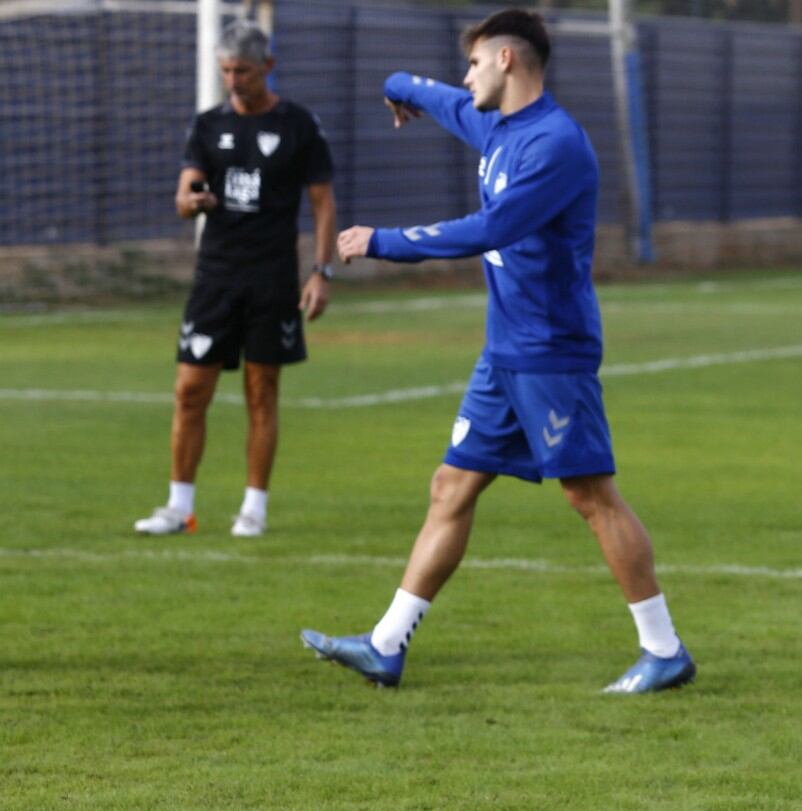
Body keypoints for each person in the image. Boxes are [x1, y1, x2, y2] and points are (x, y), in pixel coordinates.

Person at [300, 9, 694, 694]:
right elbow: (435, 94)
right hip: (503, 353)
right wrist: (398, 86)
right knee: (450, 486)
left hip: (550, 352)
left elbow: (491, 228)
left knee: (591, 495)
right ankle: (385, 645)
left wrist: (381, 240)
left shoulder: (556, 146)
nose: (466, 76)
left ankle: (663, 650)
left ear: (507, 61)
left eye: (475, 62)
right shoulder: (496, 124)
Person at [135, 20, 335, 538]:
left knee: (261, 392)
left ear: (267, 67)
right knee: (188, 390)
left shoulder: (299, 126)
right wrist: (191, 202)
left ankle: (254, 508)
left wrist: (321, 270)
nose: (233, 80)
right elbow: (183, 195)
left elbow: (323, 204)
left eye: (242, 71)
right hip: (215, 280)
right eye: (226, 71)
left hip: (271, 280)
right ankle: (180, 507)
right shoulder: (207, 126)